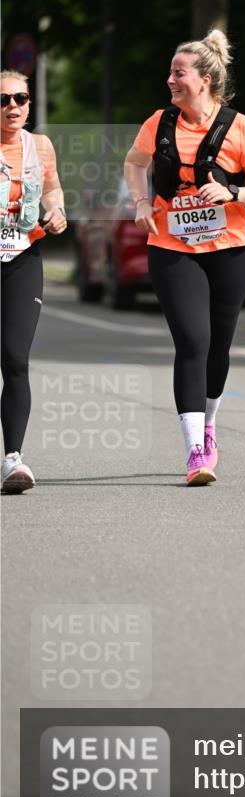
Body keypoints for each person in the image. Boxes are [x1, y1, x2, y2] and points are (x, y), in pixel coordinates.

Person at [124, 29, 245, 486]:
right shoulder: (158, 124)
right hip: (173, 247)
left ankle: (209, 426)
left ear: (205, 79)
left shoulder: (239, 127)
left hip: (231, 247)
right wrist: (141, 202)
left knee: (219, 345)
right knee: (192, 341)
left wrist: (230, 191)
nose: (170, 79)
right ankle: (194, 451)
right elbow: (135, 164)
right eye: (170, 72)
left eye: (178, 73)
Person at [1, 69, 67, 494]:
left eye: (20, 99)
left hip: (23, 258)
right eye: (3, 100)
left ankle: (13, 461)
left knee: (15, 358)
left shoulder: (39, 145)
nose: (12, 107)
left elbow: (53, 189)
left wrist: (57, 211)